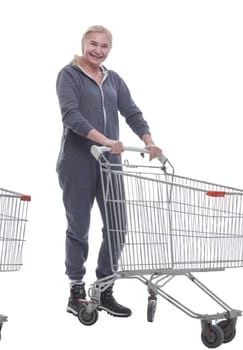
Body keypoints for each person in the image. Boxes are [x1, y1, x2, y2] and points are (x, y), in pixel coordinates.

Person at [56, 25, 163, 318]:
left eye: (104, 46)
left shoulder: (113, 79)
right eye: (93, 44)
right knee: (78, 226)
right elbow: (70, 116)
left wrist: (149, 140)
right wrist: (105, 140)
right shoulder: (69, 75)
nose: (98, 50)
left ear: (109, 50)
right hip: (77, 161)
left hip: (110, 164)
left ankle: (104, 288)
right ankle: (76, 291)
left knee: (117, 226)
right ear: (82, 44)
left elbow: (131, 111)